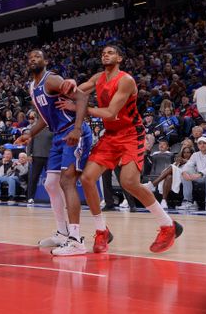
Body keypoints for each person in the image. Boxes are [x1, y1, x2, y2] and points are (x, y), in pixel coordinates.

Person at [59, 44, 183, 254]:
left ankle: (167, 225)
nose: (105, 55)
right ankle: (101, 232)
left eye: (110, 52)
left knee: (128, 182)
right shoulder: (98, 77)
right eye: (103, 53)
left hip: (131, 134)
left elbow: (109, 112)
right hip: (110, 136)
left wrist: (80, 108)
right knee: (87, 178)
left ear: (119, 58)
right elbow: (77, 92)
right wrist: (67, 86)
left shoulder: (126, 80)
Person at [17, 49, 92, 256]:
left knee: (67, 181)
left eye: (37, 57)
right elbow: (44, 116)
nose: (33, 59)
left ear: (45, 61)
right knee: (50, 184)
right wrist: (29, 134)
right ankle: (61, 232)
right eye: (30, 57)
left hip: (73, 132)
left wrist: (77, 129)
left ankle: (76, 240)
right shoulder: (32, 87)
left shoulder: (52, 80)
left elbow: (82, 97)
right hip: (58, 134)